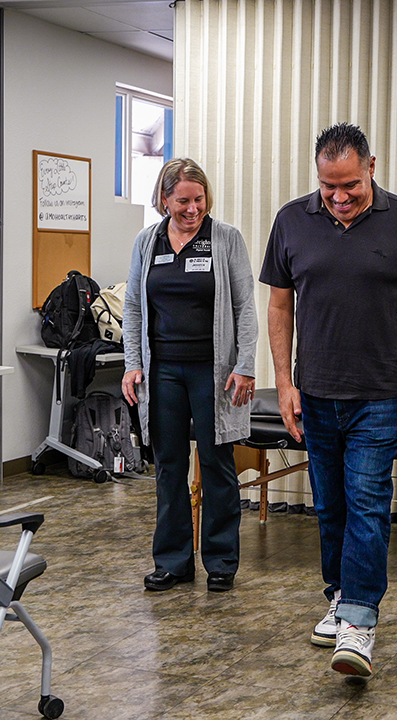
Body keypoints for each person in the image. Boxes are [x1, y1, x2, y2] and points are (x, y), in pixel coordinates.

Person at [261, 122, 397, 678]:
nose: (339, 198)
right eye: (328, 187)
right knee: (331, 505)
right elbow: (278, 307)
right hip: (314, 392)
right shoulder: (292, 221)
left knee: (366, 500)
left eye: (350, 186)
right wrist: (284, 383)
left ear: (372, 167)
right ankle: (341, 595)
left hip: (381, 393)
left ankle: (360, 622)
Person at [122, 158, 258, 594]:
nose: (192, 208)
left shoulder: (225, 239)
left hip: (213, 372)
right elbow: (133, 307)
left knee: (217, 464)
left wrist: (245, 366)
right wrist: (133, 362)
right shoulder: (148, 242)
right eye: (182, 200)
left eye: (198, 199)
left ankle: (220, 560)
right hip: (163, 372)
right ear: (164, 199)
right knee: (168, 466)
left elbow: (245, 308)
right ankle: (173, 561)